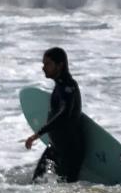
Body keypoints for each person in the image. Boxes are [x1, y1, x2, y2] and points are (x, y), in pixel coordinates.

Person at [25, 47, 85, 182]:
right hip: (56, 147)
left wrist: (37, 134)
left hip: (70, 151)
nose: (43, 68)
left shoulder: (68, 86)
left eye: (48, 64)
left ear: (60, 65)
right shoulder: (60, 86)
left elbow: (64, 114)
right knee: (36, 182)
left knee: (65, 190)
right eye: (43, 64)